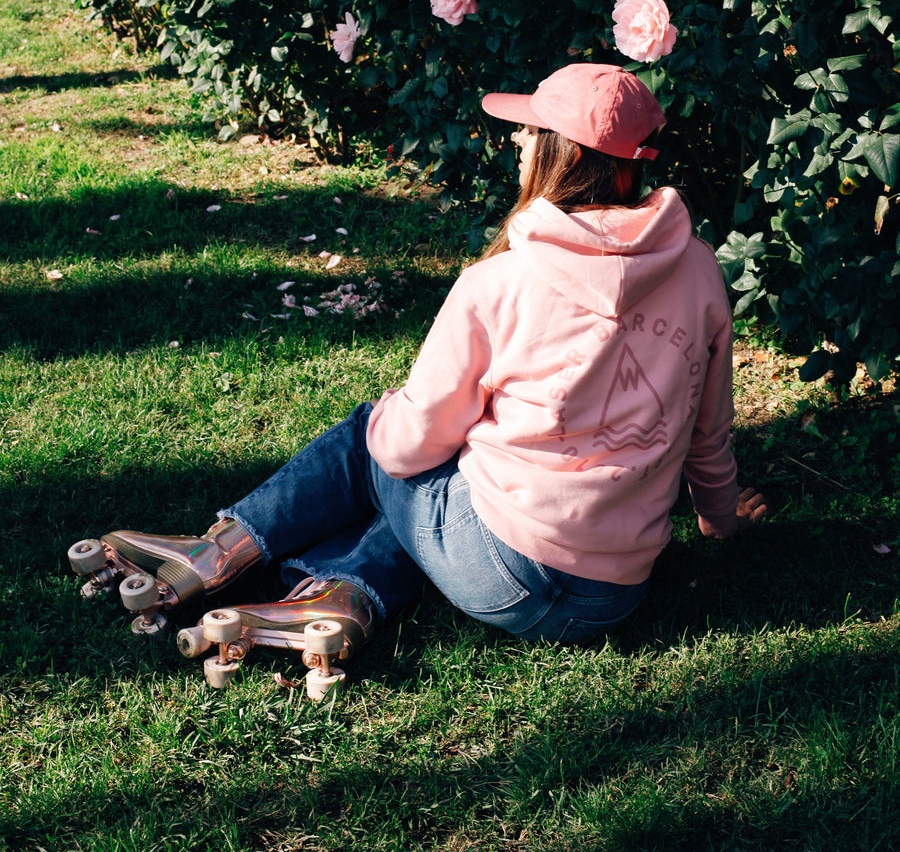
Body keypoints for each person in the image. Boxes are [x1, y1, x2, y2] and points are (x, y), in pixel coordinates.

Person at [69, 63, 765, 687]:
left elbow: (405, 450)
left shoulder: (502, 280)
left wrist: (400, 434)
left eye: (526, 133)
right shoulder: (700, 270)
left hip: (508, 578)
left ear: (559, 153)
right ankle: (338, 599)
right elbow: (709, 431)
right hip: (616, 591)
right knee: (446, 494)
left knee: (373, 437)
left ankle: (217, 552)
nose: (515, 144)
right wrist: (720, 517)